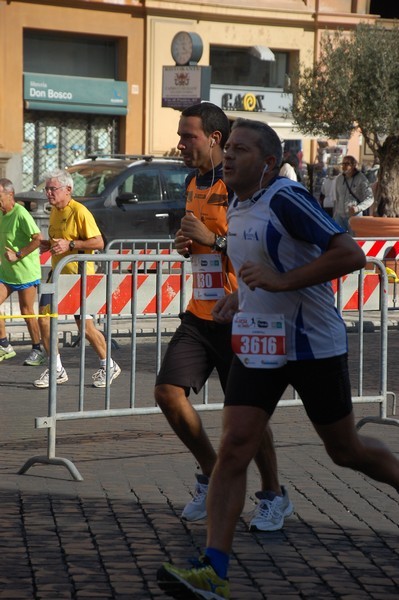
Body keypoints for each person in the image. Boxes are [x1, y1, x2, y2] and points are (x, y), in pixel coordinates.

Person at [157, 119, 399, 600]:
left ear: (267, 163)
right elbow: (256, 274)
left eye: (242, 150)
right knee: (233, 449)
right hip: (258, 343)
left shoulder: (286, 197)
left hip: (312, 344)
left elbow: (349, 254)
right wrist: (239, 300)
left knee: (344, 450)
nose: (229, 156)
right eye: (230, 149)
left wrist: (281, 284)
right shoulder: (237, 204)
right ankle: (214, 569)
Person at [154, 103, 293, 532]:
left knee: (248, 415)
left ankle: (273, 495)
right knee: (167, 393)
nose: (180, 144)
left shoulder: (241, 185)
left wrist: (211, 241)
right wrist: (187, 243)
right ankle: (215, 476)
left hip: (243, 313)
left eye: (187, 136)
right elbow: (202, 240)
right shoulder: (195, 180)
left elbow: (260, 248)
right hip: (201, 311)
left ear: (214, 138)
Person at [33, 169, 121, 389]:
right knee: (43, 319)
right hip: (57, 275)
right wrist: (49, 245)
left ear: (68, 190)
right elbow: (60, 240)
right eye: (46, 189)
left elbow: (99, 242)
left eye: (53, 189)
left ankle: (108, 364)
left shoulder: (80, 212)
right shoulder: (54, 210)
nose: (48, 193)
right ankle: (56, 368)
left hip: (79, 277)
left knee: (86, 328)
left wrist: (71, 245)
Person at [0, 178, 45, 366]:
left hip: (26, 272)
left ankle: (37, 349)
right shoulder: (2, 214)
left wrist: (18, 255)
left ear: (10, 195)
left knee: (27, 311)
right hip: (7, 273)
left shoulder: (21, 213)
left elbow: (38, 239)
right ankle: (4, 345)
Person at [333, 155, 374, 233]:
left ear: (354, 165)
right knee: (339, 240)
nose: (344, 166)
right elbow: (337, 199)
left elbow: (370, 198)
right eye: (343, 164)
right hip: (339, 217)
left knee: (354, 241)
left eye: (347, 164)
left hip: (354, 217)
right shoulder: (339, 179)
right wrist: (334, 215)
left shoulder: (361, 179)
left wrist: (358, 208)